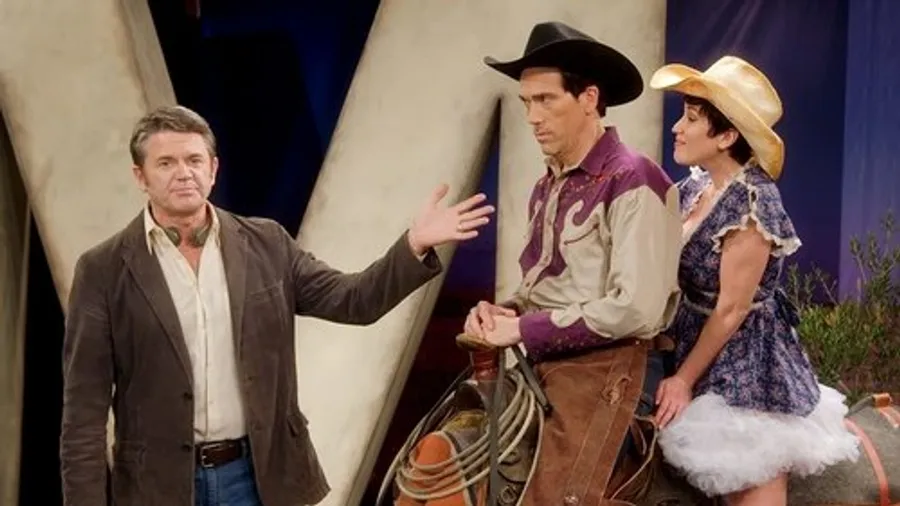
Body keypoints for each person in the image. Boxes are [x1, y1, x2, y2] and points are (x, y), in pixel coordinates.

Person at [59, 105, 495, 506]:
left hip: (256, 478)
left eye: (194, 160)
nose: (184, 173)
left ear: (213, 169)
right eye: (166, 163)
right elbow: (83, 413)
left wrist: (413, 244)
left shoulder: (267, 243)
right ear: (140, 176)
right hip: (157, 487)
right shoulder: (103, 269)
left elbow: (354, 301)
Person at [465, 21, 683, 504]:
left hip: (613, 367)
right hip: (545, 365)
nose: (532, 117)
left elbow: (637, 308)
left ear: (588, 98)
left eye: (546, 100)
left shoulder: (633, 178)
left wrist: (523, 329)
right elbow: (541, 289)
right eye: (526, 102)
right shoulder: (547, 185)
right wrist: (505, 312)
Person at [648, 56, 860, 505]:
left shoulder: (753, 202)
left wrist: (683, 380)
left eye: (691, 119)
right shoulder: (694, 188)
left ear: (726, 136)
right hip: (685, 337)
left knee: (747, 462)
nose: (677, 129)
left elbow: (732, 309)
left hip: (742, 360)